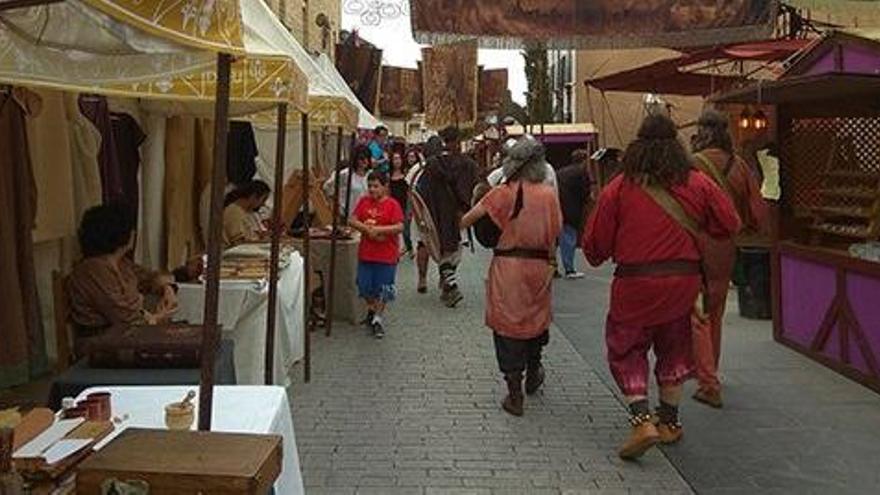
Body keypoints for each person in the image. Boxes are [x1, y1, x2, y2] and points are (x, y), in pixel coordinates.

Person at [583, 114, 741, 460]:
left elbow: (595, 245)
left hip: (634, 283)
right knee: (675, 347)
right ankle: (669, 422)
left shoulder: (620, 187)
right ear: (676, 147)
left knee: (626, 347)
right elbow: (729, 222)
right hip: (683, 282)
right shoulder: (698, 182)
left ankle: (641, 420)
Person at [462, 136, 562, 416]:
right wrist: (552, 264)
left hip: (509, 268)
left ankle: (514, 394)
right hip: (540, 266)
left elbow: (467, 219)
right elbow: (555, 233)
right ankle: (534, 370)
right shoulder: (548, 194)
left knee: (507, 328)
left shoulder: (503, 193)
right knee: (535, 322)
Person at [690, 110, 769, 408]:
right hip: (725, 245)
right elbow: (758, 211)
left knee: (695, 311)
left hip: (695, 242)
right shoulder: (740, 166)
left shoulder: (692, 165)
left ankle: (704, 375)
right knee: (717, 310)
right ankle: (712, 368)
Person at [68, 204, 179, 355]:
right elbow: (123, 316)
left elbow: (151, 277)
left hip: (127, 336)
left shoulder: (122, 264)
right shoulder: (93, 269)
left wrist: (167, 289)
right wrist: (156, 319)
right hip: (102, 343)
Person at [418, 127, 478, 307]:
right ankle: (450, 286)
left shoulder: (431, 165)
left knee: (442, 251)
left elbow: (422, 192)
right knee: (454, 252)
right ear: (458, 142)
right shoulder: (468, 165)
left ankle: (449, 285)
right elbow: (472, 191)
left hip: (437, 214)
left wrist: (425, 216)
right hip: (459, 214)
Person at [350, 171, 405, 338]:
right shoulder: (363, 202)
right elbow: (352, 220)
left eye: (376, 186)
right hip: (367, 253)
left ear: (384, 187)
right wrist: (366, 229)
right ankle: (372, 309)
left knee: (384, 289)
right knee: (363, 285)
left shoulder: (392, 205)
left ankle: (378, 319)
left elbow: (399, 226)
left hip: (386, 254)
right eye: (370, 186)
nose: (372, 190)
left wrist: (380, 230)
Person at [556, 149, 592, 279]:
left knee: (557, 239)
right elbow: (585, 193)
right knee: (569, 238)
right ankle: (569, 268)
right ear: (584, 160)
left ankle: (553, 267)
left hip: (558, 206)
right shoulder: (582, 173)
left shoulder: (560, 172)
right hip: (572, 209)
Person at [405, 147, 431, 292]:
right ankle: (422, 278)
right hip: (422, 211)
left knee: (442, 247)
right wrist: (414, 213)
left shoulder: (444, 166)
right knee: (423, 245)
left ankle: (444, 277)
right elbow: (411, 192)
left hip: (439, 211)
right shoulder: (417, 170)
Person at [324, 145, 371, 219]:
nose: (365, 161)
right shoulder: (345, 174)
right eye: (362, 158)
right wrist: (336, 205)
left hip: (367, 216)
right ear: (356, 159)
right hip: (348, 216)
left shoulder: (370, 175)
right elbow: (327, 187)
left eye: (367, 158)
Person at [223, 180, 270, 247]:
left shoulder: (246, 212)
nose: (263, 204)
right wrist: (267, 242)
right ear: (253, 196)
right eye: (263, 200)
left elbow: (252, 235)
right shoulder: (234, 212)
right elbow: (239, 242)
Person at [389, 152, 412, 256]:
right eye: (395, 159)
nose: (397, 161)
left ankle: (409, 247)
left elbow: (409, 192)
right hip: (394, 205)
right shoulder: (389, 176)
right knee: (395, 229)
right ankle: (396, 248)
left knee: (406, 229)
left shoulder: (406, 174)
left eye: (398, 158)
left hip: (405, 204)